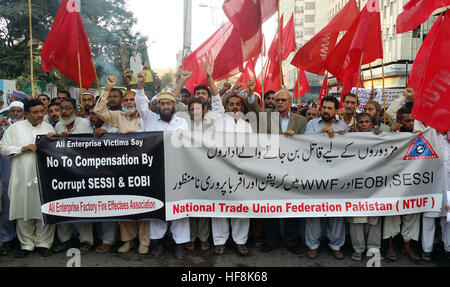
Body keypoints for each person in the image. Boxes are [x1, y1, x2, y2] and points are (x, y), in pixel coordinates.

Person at [135, 71, 190, 260]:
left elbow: (188, 145)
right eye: (162, 103)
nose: (165, 106)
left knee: (179, 209)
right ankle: (157, 243)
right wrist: (140, 84)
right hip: (155, 171)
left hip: (177, 171)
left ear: (174, 105)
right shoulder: (149, 119)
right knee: (157, 207)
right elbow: (141, 103)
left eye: (168, 103)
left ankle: (179, 244)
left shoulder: (182, 122)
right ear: (157, 106)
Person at [94, 76, 149, 255]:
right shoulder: (118, 116)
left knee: (144, 204)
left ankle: (144, 241)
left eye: (132, 99)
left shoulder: (148, 117)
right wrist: (108, 88)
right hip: (123, 167)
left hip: (144, 167)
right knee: (126, 204)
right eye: (126, 100)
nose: (129, 102)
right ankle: (128, 240)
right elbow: (99, 111)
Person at [0, 100, 56, 258]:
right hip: (22, 177)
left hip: (44, 177)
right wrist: (22, 149)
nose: (40, 115)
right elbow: (3, 148)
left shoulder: (48, 128)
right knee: (23, 210)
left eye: (41, 111)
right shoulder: (14, 129)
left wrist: (54, 140)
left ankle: (44, 244)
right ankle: (27, 245)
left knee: (43, 209)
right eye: (36, 112)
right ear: (26, 114)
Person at [260, 89, 307, 256]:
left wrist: (296, 138)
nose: (279, 102)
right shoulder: (266, 117)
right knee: (270, 205)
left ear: (290, 102)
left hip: (293, 168)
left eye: (283, 100)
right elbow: (260, 139)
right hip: (271, 167)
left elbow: (308, 143)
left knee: (292, 205)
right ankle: (271, 240)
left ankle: (292, 240)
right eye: (276, 99)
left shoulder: (301, 120)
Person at [304, 96, 349, 260]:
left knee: (336, 211)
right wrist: (323, 134)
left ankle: (335, 245)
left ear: (336, 111)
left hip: (336, 172)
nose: (326, 111)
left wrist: (337, 136)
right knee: (314, 210)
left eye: (330, 108)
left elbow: (349, 148)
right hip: (315, 172)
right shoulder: (312, 124)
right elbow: (305, 144)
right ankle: (313, 245)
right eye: (324, 108)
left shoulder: (343, 126)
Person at [51, 98, 94, 254]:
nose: (64, 111)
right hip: (63, 172)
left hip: (82, 170)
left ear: (75, 109)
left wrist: (72, 139)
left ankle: (86, 241)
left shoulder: (84, 123)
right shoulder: (57, 125)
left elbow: (90, 145)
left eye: (68, 108)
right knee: (63, 205)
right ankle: (65, 240)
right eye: (61, 108)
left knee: (81, 205)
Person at [383, 104, 420, 261]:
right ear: (398, 122)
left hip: (413, 182)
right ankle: (390, 247)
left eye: (412, 121)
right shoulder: (391, 134)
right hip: (394, 182)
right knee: (392, 215)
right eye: (407, 121)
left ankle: (407, 247)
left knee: (412, 214)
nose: (410, 124)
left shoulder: (419, 133)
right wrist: (392, 135)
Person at [347, 112, 382, 262]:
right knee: (357, 219)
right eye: (361, 122)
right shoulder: (349, 138)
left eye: (367, 122)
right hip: (355, 184)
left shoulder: (380, 137)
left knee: (374, 219)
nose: (364, 125)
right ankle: (358, 249)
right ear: (356, 124)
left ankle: (374, 249)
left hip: (375, 184)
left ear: (372, 124)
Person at [421, 130, 450, 262]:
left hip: (448, 186)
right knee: (428, 218)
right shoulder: (427, 135)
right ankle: (427, 250)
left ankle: (448, 248)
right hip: (431, 185)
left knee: (448, 219)